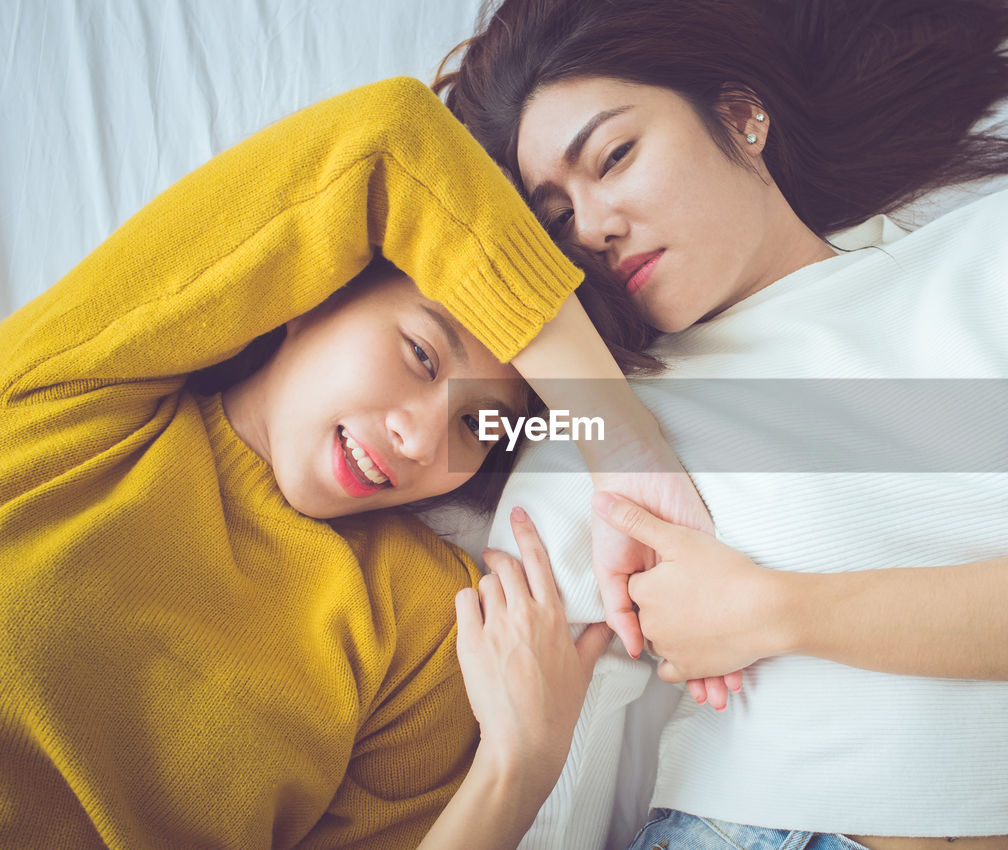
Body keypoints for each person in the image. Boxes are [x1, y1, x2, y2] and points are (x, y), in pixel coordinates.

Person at [434, 1, 1008, 848]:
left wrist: (778, 611)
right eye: (558, 218)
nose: (595, 227)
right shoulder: (612, 429)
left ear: (740, 113)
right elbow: (550, 761)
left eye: (615, 155)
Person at [0, 75, 680, 848]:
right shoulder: (78, 395)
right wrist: (619, 440)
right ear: (311, 290)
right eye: (421, 355)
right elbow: (389, 136)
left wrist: (518, 767)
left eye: (475, 425)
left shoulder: (433, 625)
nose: (424, 442)